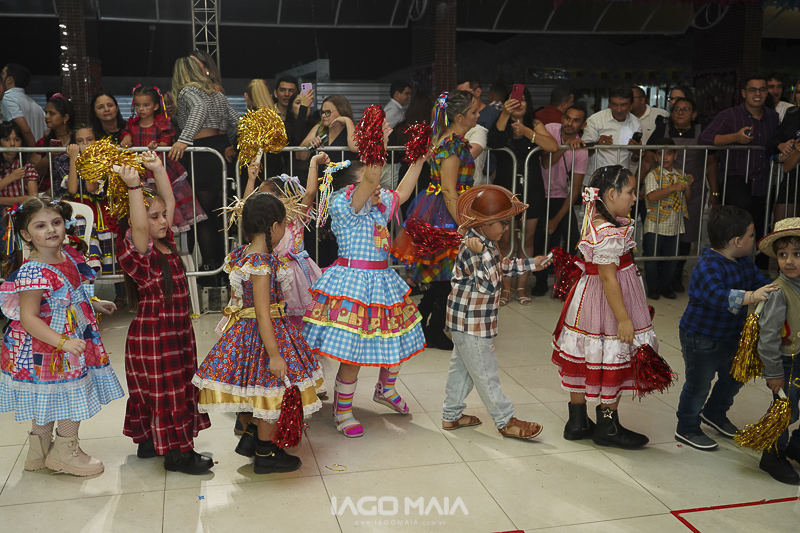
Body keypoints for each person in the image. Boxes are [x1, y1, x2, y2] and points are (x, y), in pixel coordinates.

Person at [193, 191, 324, 474]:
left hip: (251, 332)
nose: (285, 230)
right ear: (274, 226)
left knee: (265, 391)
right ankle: (266, 453)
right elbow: (263, 312)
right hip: (266, 334)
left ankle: (252, 438)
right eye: (285, 225)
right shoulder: (261, 264)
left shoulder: (244, 254)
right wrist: (274, 355)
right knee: (273, 393)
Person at [303, 151, 428, 438]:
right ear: (352, 187)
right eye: (370, 182)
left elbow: (402, 193)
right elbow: (372, 180)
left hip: (381, 284)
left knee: (395, 337)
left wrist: (419, 161)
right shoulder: (343, 205)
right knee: (352, 355)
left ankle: (386, 388)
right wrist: (377, 144)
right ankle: (343, 411)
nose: (378, 186)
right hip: (354, 287)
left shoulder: (376, 205)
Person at [0, 197, 123, 476]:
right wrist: (63, 342)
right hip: (49, 347)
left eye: (56, 222)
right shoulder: (33, 271)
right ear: (26, 235)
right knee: (67, 397)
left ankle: (39, 452)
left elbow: (69, 293)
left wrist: (93, 304)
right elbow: (29, 317)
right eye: (40, 226)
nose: (51, 229)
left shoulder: (67, 255)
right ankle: (65, 452)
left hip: (67, 337)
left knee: (48, 398)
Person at [116, 157, 213, 474]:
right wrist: (134, 187)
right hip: (156, 336)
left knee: (164, 390)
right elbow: (139, 226)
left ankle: (149, 441)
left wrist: (158, 170)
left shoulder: (166, 242)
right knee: (168, 393)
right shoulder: (139, 252)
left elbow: (169, 204)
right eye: (153, 217)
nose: (162, 221)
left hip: (175, 333)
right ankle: (178, 454)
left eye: (162, 216)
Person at [551, 165, 655, 449]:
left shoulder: (596, 220)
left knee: (586, 351)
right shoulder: (607, 231)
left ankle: (577, 422)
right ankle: (608, 425)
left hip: (588, 299)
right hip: (607, 303)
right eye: (630, 192)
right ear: (610, 194)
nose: (634, 197)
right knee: (612, 351)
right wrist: (624, 319)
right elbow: (609, 278)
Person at [442, 184, 550, 439]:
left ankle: (451, 416)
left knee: (463, 371)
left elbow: (500, 267)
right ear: (484, 223)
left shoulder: (484, 242)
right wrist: (482, 255)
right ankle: (505, 420)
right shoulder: (474, 248)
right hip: (471, 323)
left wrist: (530, 264)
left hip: (467, 321)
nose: (506, 228)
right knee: (485, 373)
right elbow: (489, 285)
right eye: (502, 223)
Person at [675, 205, 776, 450]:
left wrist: (777, 288)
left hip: (731, 335)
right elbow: (717, 296)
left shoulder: (744, 262)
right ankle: (686, 427)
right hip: (701, 338)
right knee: (699, 385)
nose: (753, 239)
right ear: (736, 241)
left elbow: (760, 281)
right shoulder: (708, 265)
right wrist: (752, 296)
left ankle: (714, 413)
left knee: (734, 377)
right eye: (751, 235)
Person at [391, 91, 478, 350]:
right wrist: (462, 224)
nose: (477, 116)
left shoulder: (447, 140)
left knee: (444, 276)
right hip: (446, 212)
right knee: (448, 275)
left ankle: (423, 323)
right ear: (460, 117)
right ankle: (433, 328)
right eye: (474, 112)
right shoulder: (451, 144)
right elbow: (449, 190)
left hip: (440, 208)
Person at [168, 56, 239, 280]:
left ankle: (210, 269)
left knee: (202, 217)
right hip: (219, 149)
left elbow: (198, 110)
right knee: (217, 215)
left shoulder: (188, 91)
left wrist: (184, 139)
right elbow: (236, 120)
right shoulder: (216, 92)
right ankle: (222, 271)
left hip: (202, 153)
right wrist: (231, 143)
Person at [698, 74, 779, 265]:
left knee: (760, 226)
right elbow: (704, 139)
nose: (757, 94)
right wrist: (734, 137)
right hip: (735, 177)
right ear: (744, 93)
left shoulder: (772, 117)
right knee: (737, 226)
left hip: (762, 180)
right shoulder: (729, 115)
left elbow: (776, 142)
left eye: (762, 89)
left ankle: (757, 270)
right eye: (753, 90)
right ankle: (729, 266)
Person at [488, 87, 557, 303]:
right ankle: (506, 288)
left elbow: (552, 146)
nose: (519, 103)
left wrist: (527, 131)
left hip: (532, 188)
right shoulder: (501, 121)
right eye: (514, 100)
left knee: (527, 239)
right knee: (505, 240)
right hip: (505, 189)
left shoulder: (534, 124)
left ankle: (521, 288)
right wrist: (505, 114)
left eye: (523, 100)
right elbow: (494, 142)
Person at [643, 97, 718, 293]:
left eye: (686, 109)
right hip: (658, 217)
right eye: (677, 109)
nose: (681, 113)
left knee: (684, 239)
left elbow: (711, 164)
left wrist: (709, 189)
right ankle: (655, 284)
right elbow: (649, 185)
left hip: (692, 192)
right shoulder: (654, 174)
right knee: (655, 250)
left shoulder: (703, 132)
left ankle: (673, 278)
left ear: (694, 114)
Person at [243, 154, 323, 331]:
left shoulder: (296, 216)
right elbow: (247, 206)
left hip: (294, 278)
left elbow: (310, 193)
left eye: (267, 195)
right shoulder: (263, 221)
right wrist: (251, 179)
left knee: (297, 322)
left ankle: (295, 344)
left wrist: (313, 162)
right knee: (272, 315)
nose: (262, 200)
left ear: (285, 197)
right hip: (271, 273)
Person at [120, 85, 207, 234]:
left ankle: (165, 230)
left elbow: (166, 142)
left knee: (166, 200)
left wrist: (157, 145)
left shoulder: (162, 123)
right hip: (139, 170)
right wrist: (126, 139)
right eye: (138, 105)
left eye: (145, 105)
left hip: (160, 168)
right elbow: (127, 134)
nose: (141, 109)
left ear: (155, 106)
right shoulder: (132, 124)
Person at [754, 218, 800, 484]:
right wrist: (773, 372)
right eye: (783, 255)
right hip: (786, 362)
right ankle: (772, 454)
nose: (789, 261)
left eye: (797, 254)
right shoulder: (778, 292)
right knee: (785, 411)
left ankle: (797, 446)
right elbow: (768, 336)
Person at [533, 104, 588, 292]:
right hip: (539, 193)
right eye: (567, 118)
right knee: (540, 238)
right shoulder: (550, 129)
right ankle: (540, 281)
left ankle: (565, 282)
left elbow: (575, 190)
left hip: (561, 196)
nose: (570, 123)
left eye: (576, 120)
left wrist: (556, 219)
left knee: (573, 237)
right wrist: (564, 147)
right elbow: (545, 162)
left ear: (583, 125)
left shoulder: (581, 150)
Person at [642, 138, 692, 300]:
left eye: (669, 153)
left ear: (675, 155)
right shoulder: (652, 175)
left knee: (671, 259)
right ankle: (653, 286)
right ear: (655, 157)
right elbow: (651, 196)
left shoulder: (680, 174)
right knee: (652, 258)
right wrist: (672, 188)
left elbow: (687, 197)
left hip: (674, 225)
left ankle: (665, 285)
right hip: (655, 224)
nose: (665, 157)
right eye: (660, 154)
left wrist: (687, 185)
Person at [582, 86, 643, 178]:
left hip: (621, 179)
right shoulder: (595, 120)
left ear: (631, 105)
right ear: (609, 103)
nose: (618, 109)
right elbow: (582, 152)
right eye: (614, 104)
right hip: (595, 178)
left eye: (623, 105)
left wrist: (637, 151)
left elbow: (634, 160)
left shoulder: (636, 123)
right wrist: (597, 144)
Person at [29, 95, 75, 183]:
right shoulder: (42, 143)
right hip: (47, 189)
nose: (46, 116)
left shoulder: (79, 141)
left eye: (51, 113)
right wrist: (48, 158)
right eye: (46, 112)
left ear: (65, 117)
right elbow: (32, 173)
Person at [0, 63, 46, 148]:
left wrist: (33, 151)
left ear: (9, 79)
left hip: (22, 153)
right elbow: (46, 132)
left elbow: (25, 130)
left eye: (2, 74)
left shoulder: (7, 98)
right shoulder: (36, 105)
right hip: (37, 152)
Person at [0, 121, 39, 214]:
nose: (12, 144)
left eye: (17, 139)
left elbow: (33, 198)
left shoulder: (27, 167)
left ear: (22, 142)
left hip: (21, 210)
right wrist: (10, 178)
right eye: (7, 139)